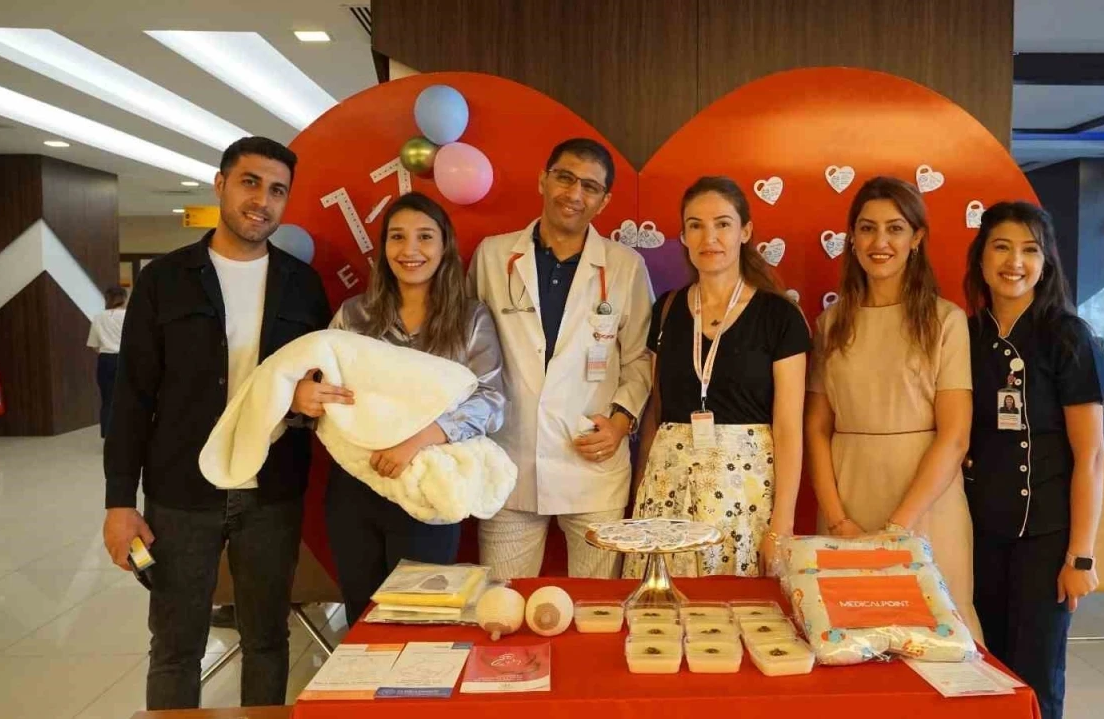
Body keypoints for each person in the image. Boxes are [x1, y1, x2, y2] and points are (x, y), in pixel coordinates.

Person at [102, 137, 347, 710]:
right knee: (175, 644)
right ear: (220, 185)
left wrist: (304, 399)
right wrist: (119, 502)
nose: (262, 201)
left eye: (277, 190)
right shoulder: (166, 279)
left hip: (272, 490)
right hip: (182, 490)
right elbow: (131, 396)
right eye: (250, 183)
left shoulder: (302, 284)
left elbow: (320, 381)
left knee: (267, 640)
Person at [804, 176, 981, 638]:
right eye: (867, 228)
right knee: (850, 635)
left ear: (916, 238)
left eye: (895, 228)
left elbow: (955, 436)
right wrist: (838, 519)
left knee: (939, 636)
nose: (879, 242)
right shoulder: (830, 324)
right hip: (848, 501)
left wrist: (899, 526)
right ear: (852, 237)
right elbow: (817, 428)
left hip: (927, 505)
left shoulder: (946, 321)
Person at [471, 137, 653, 579]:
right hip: (509, 459)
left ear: (604, 200)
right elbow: (469, 350)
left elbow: (641, 358)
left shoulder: (624, 266)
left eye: (590, 187)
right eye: (565, 178)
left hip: (592, 462)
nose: (574, 194)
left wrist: (621, 423)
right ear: (543, 179)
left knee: (598, 607)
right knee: (503, 601)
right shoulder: (493, 256)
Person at [325, 192, 506, 624]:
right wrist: (310, 394)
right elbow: (323, 385)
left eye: (425, 237)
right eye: (397, 237)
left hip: (429, 489)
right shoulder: (353, 316)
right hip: (357, 486)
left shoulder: (471, 320)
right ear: (383, 247)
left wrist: (417, 441)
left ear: (444, 247)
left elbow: (492, 402)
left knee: (420, 620)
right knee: (363, 619)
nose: (410, 249)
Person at [963, 202, 1104, 719]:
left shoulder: (1068, 336)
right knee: (984, 668)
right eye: (1001, 247)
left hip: (1046, 537)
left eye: (1030, 250)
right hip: (978, 532)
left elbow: (1091, 456)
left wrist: (1081, 556)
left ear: (1046, 263)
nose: (1015, 262)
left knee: (1037, 676)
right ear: (981, 257)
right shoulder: (967, 335)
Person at [623, 177, 808, 578]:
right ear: (683, 236)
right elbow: (656, 411)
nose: (710, 238)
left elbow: (789, 427)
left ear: (745, 231)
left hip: (745, 495)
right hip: (667, 487)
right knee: (662, 606)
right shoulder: (667, 308)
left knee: (733, 607)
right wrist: (640, 498)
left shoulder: (780, 316)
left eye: (723, 224)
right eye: (696, 225)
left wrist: (782, 524)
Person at [88, 285, 128, 438]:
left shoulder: (98, 317)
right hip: (124, 359)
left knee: (107, 400)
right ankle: (126, 436)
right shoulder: (129, 315)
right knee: (128, 398)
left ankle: (108, 436)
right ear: (124, 298)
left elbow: (94, 345)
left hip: (105, 361)